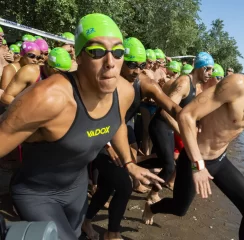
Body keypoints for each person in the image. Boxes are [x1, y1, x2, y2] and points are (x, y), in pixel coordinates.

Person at [0, 13, 164, 240]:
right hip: (37, 193)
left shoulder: (124, 92)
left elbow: (115, 123)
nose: (110, 62)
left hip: (76, 190)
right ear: (78, 56)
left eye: (118, 52)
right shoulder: (48, 98)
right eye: (97, 51)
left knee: (75, 235)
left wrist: (129, 163)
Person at [143, 39, 244, 240]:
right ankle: (152, 208)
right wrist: (198, 165)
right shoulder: (238, 84)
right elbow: (186, 116)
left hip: (220, 160)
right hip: (193, 159)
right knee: (180, 208)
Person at [83, 36, 181, 240]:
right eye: (131, 65)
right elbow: (93, 118)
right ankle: (112, 233)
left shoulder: (145, 83)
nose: (136, 70)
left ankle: (86, 220)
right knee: (124, 186)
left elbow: (171, 106)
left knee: (108, 186)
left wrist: (189, 119)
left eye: (141, 65)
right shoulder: (105, 81)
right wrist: (110, 146)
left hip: (118, 137)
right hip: (97, 138)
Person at [146, 52, 215, 204]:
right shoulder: (184, 82)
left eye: (212, 70)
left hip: (170, 128)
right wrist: (183, 132)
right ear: (199, 67)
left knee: (163, 162)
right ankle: (152, 194)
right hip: (160, 125)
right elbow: (165, 111)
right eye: (208, 69)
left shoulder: (197, 86)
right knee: (170, 166)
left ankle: (132, 164)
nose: (211, 73)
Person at [1, 47, 71, 105]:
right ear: (49, 66)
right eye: (59, 71)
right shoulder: (30, 71)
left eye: (66, 72)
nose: (63, 75)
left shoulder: (63, 78)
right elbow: (6, 97)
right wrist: (26, 109)